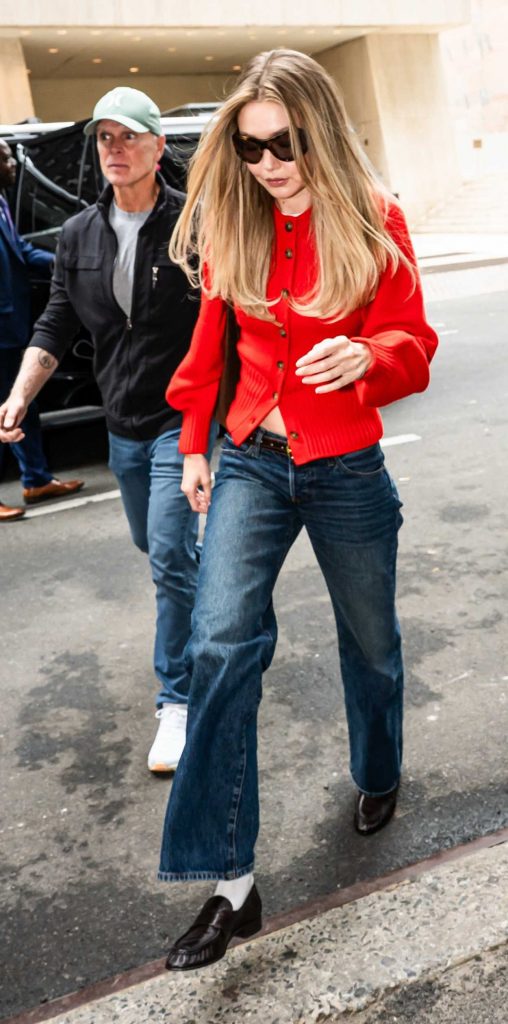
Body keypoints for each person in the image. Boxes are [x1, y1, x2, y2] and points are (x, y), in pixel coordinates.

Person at [157, 48, 439, 970]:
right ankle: (231, 884)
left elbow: (415, 341)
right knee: (218, 645)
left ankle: (380, 769)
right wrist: (195, 443)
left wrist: (372, 358)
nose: (269, 164)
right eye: (249, 147)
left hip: (348, 466)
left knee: (372, 644)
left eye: (286, 143)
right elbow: (208, 349)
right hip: (251, 458)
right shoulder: (235, 223)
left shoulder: (374, 217)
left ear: (321, 129)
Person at [0, 87, 213, 770]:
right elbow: (58, 320)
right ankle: (228, 615)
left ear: (157, 147)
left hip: (181, 420)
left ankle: (177, 702)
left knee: (172, 560)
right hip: (121, 423)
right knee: (155, 543)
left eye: (128, 137)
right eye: (104, 139)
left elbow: (229, 323)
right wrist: (19, 394)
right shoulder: (78, 235)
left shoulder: (194, 228)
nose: (114, 150)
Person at [0, 139, 84, 521]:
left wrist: (67, 262)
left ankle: (36, 479)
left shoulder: (2, 203)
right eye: (5, 157)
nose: (13, 163)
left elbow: (20, 251)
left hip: (12, 324)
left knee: (24, 403)